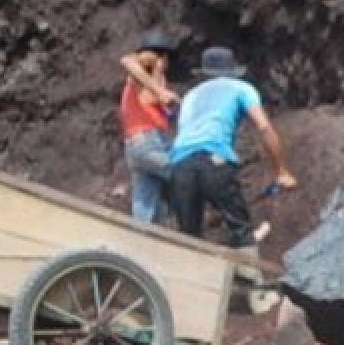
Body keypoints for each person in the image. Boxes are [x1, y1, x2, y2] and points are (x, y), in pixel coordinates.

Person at [168, 46, 298, 247]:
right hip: (214, 159)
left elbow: (188, 140)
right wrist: (281, 171)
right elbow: (264, 126)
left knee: (189, 240)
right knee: (242, 232)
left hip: (179, 166)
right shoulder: (241, 88)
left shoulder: (189, 96)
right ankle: (249, 274)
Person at [119, 31, 180, 224]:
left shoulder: (153, 81)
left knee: (146, 205)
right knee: (186, 172)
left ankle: (142, 242)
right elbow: (128, 61)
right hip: (147, 142)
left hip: (143, 144)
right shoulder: (146, 67)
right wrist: (160, 88)